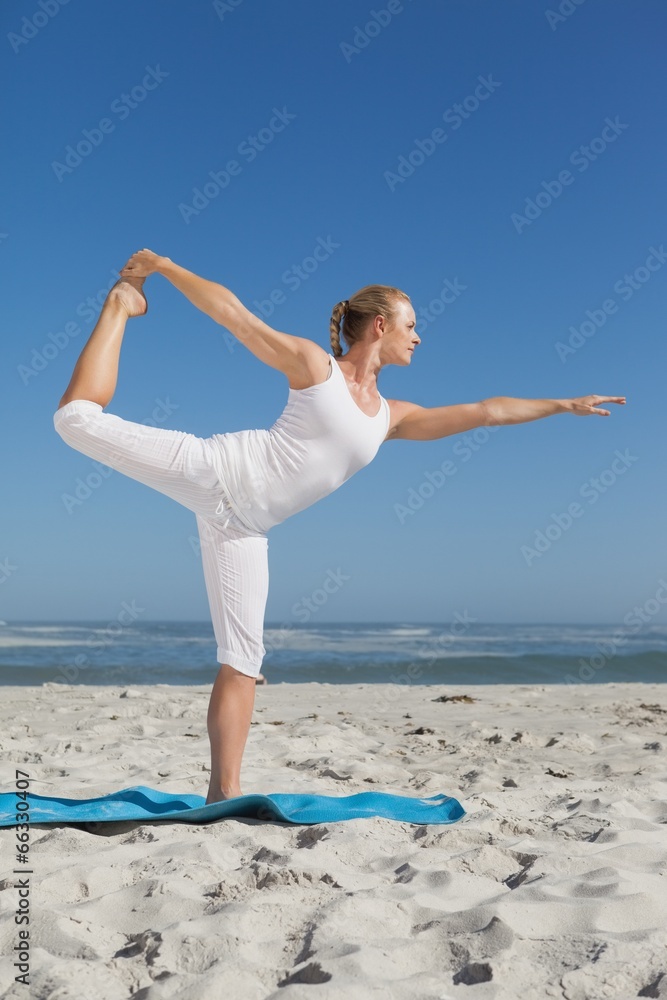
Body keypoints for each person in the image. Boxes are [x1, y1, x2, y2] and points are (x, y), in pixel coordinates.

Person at [53, 248, 626, 804]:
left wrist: (562, 405)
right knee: (75, 421)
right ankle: (121, 306)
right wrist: (162, 267)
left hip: (245, 529)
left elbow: (486, 411)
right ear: (380, 326)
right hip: (218, 472)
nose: (419, 336)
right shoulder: (314, 368)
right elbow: (235, 316)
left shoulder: (389, 417)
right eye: (412, 325)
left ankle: (221, 792)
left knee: (243, 661)